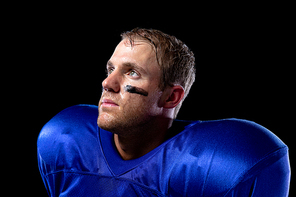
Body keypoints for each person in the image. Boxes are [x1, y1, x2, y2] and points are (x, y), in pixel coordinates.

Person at [37, 28, 290, 196]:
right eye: (110, 69)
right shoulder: (64, 140)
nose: (107, 83)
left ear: (171, 97)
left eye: (131, 73)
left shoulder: (221, 163)